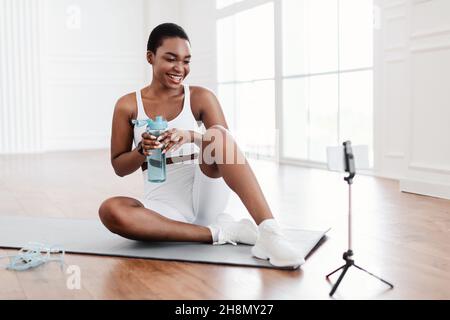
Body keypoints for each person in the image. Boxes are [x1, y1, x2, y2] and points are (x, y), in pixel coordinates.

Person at [98, 23, 304, 268]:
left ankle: (270, 232)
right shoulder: (127, 105)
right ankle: (223, 232)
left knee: (217, 133)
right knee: (110, 210)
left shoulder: (200, 96)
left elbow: (226, 145)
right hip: (163, 204)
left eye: (186, 61)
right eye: (171, 59)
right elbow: (120, 167)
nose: (180, 68)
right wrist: (142, 150)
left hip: (204, 188)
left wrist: (191, 136)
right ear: (150, 57)